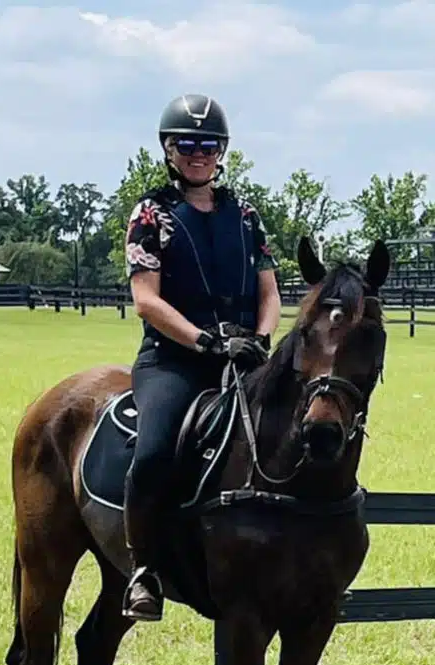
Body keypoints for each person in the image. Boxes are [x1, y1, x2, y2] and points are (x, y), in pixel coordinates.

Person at [121, 93, 282, 622]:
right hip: (174, 361)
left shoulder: (246, 214)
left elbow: (270, 293)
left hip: (243, 356)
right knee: (155, 451)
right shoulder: (152, 214)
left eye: (208, 145)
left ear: (221, 152)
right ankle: (144, 568)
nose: (198, 153)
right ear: (169, 150)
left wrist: (260, 338)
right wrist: (204, 342)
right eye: (186, 144)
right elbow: (146, 299)